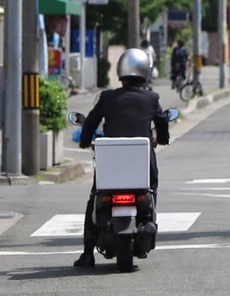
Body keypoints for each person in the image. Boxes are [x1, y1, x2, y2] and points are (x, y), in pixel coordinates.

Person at [73, 48, 171, 268]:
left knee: (94, 199)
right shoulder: (151, 98)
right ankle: (147, 219)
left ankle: (88, 253)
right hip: (142, 165)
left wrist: (84, 141)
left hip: (111, 167)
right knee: (151, 188)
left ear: (120, 71)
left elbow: (90, 122)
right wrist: (161, 139)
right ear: (145, 71)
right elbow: (163, 122)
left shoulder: (107, 97)